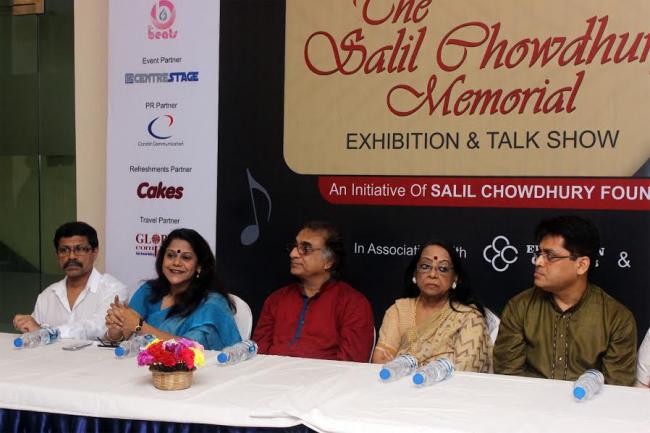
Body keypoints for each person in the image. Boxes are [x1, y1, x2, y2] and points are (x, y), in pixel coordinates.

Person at [494, 215, 637, 385]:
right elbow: (508, 379)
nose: (538, 261)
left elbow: (617, 389)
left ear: (581, 265)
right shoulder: (519, 307)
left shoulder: (617, 319)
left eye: (550, 256)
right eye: (539, 254)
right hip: (528, 400)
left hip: (588, 401)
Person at [252, 221, 374, 361]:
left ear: (329, 261)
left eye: (305, 249)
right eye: (294, 247)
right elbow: (258, 353)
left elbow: (351, 364)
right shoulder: (276, 299)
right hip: (271, 373)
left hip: (326, 375)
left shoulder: (353, 304)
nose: (293, 254)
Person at [105, 228, 241, 350]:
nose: (176, 262)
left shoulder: (211, 304)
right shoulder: (148, 291)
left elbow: (191, 348)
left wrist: (140, 327)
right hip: (142, 365)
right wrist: (116, 329)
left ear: (199, 266)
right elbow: (122, 334)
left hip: (192, 369)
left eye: (186, 258)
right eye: (170, 255)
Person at [372, 240, 492, 372]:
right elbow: (380, 360)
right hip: (399, 384)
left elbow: (464, 372)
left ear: (455, 278)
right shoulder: (399, 310)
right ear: (415, 273)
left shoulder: (469, 318)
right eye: (425, 266)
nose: (433, 274)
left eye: (443, 269)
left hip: (446, 385)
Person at [13, 221, 127, 340]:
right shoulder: (47, 295)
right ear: (57, 254)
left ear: (95, 252)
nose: (71, 256)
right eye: (64, 250)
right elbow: (34, 335)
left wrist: (45, 333)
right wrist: (25, 325)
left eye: (79, 249)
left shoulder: (114, 289)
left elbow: (97, 327)